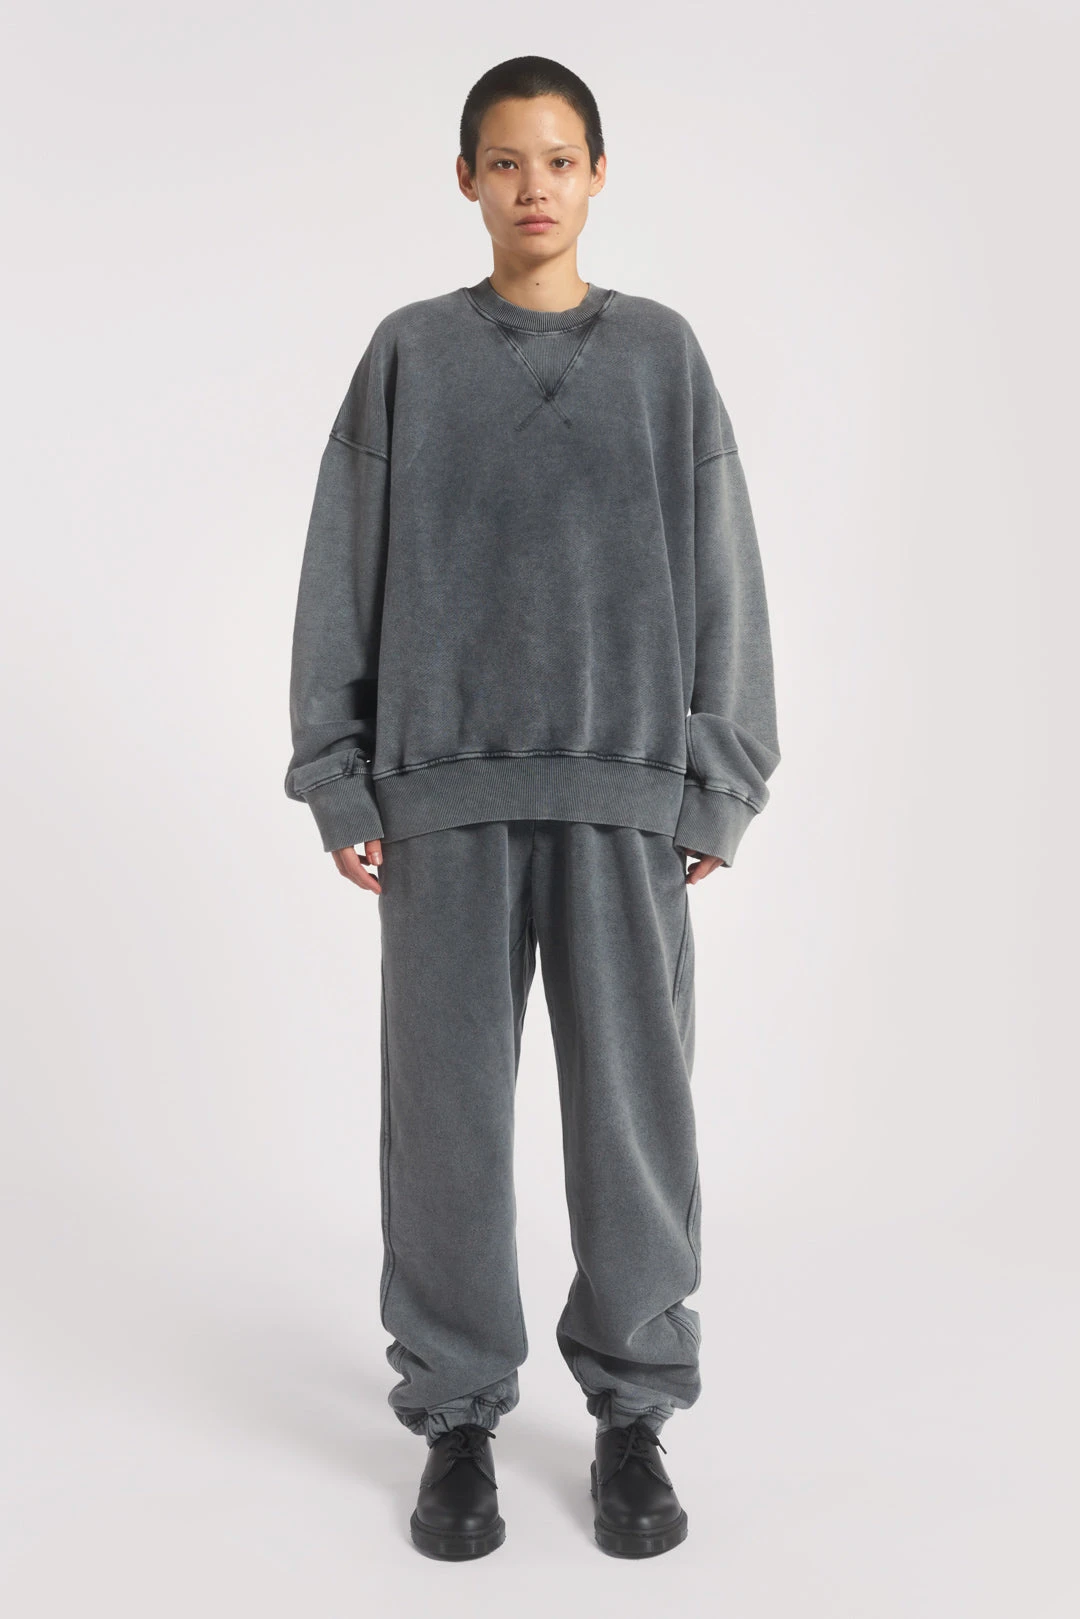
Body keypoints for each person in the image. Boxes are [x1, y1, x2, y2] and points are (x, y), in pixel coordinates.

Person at [284, 55, 780, 1561]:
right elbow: (341, 562)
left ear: (599, 173)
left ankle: (633, 1409)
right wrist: (339, 769)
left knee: (634, 1115)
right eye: (505, 161)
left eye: (559, 159)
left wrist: (716, 776)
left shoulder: (662, 356)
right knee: (445, 1122)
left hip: (624, 796)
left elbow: (723, 568)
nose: (534, 186)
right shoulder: (410, 354)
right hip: (442, 796)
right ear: (466, 180)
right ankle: (457, 1416)